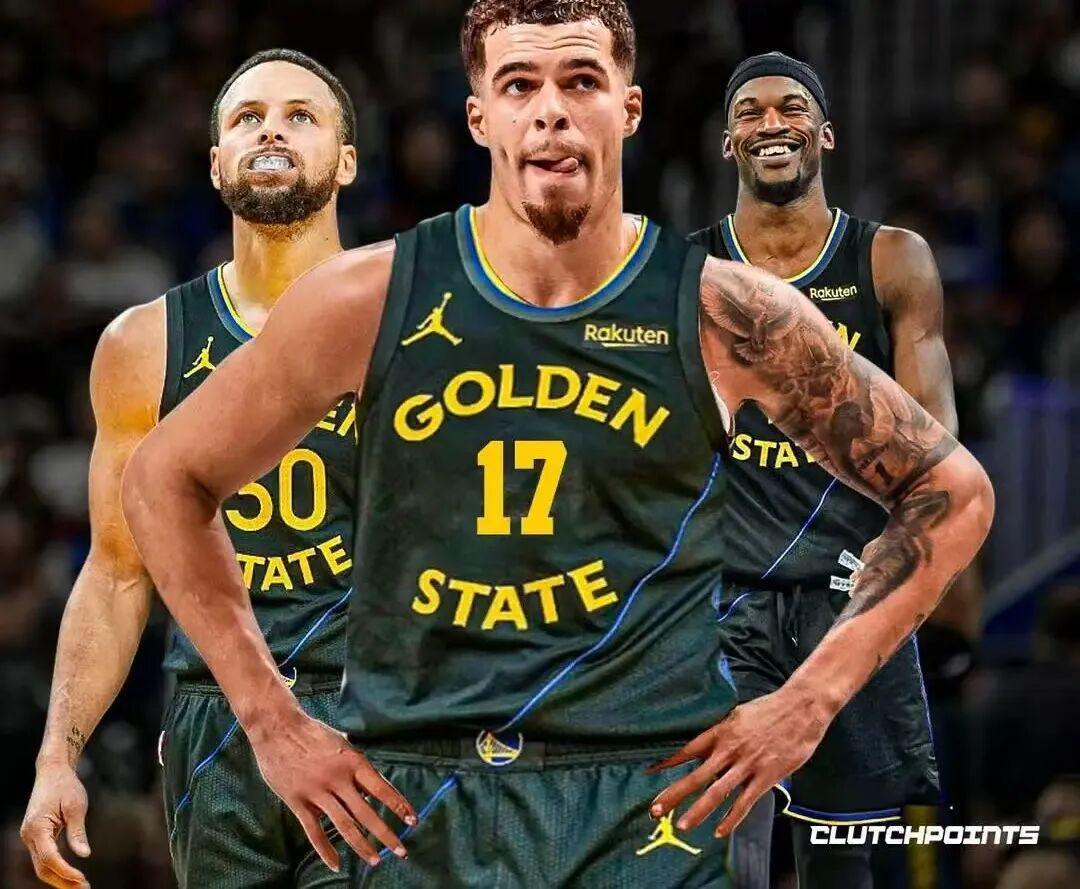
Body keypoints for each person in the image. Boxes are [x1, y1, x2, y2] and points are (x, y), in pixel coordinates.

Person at [120, 3, 994, 887]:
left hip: (647, 798)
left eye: (581, 81)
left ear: (630, 107)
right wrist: (271, 721)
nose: (550, 111)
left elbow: (951, 492)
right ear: (478, 117)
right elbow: (163, 478)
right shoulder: (367, 298)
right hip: (422, 790)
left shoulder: (723, 311)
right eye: (518, 86)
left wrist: (809, 700)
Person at [21, 49, 363, 889]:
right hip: (217, 726)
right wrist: (57, 756)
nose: (272, 131)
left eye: (300, 115)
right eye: (248, 118)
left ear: (347, 161)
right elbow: (116, 571)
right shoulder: (144, 345)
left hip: (374, 708)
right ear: (215, 164)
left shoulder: (414, 317)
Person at [688, 52, 958, 889]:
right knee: (725, 841)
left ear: (826, 134)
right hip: (726, 593)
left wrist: (900, 569)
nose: (771, 122)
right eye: (750, 111)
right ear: (728, 142)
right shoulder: (685, 273)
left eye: (792, 107)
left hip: (847, 595)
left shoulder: (891, 260)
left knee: (842, 865)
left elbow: (938, 448)